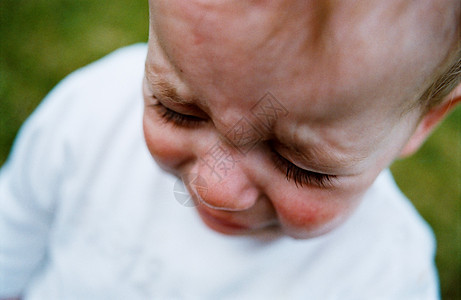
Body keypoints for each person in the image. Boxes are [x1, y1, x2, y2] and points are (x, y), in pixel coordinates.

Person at [1, 0, 460, 299]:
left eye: (298, 165)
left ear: (426, 120)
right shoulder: (94, 114)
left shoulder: (384, 280)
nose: (214, 188)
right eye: (177, 111)